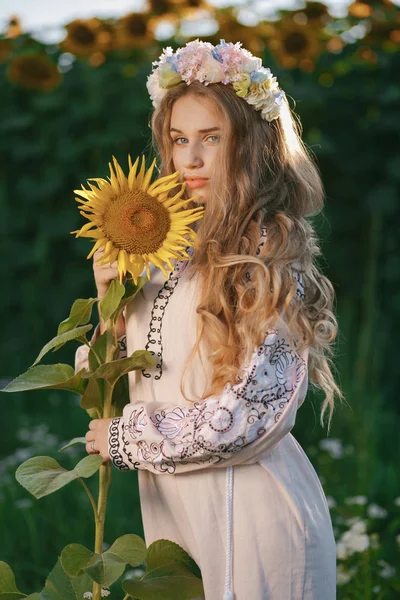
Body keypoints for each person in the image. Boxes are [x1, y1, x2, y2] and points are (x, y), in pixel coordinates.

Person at [75, 39, 343, 599]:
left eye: (212, 139)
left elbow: (250, 415)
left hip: (253, 520)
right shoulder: (162, 248)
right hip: (173, 523)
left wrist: (128, 436)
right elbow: (110, 381)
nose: (189, 160)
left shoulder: (268, 255)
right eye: (178, 140)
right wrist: (109, 304)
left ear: (250, 146)